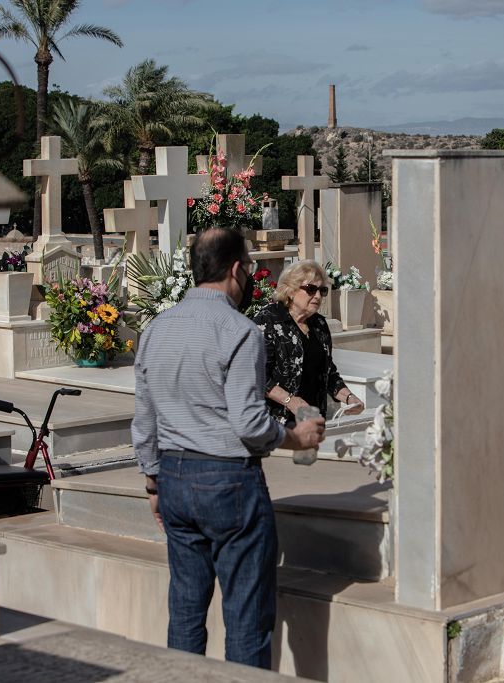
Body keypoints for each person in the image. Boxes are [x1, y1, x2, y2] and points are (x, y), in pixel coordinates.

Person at [131, 227, 325, 669]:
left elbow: (144, 419)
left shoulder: (156, 329)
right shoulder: (239, 330)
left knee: (184, 612)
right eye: (252, 268)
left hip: (174, 478)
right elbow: (248, 422)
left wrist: (152, 481)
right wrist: (296, 437)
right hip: (229, 482)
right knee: (246, 618)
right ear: (237, 270)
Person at [252, 260, 365, 423]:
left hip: (313, 419)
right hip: (276, 423)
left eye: (322, 290)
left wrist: (349, 398)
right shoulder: (267, 321)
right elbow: (257, 375)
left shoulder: (318, 324)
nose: (318, 296)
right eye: (311, 289)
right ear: (290, 290)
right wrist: (291, 402)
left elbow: (328, 372)